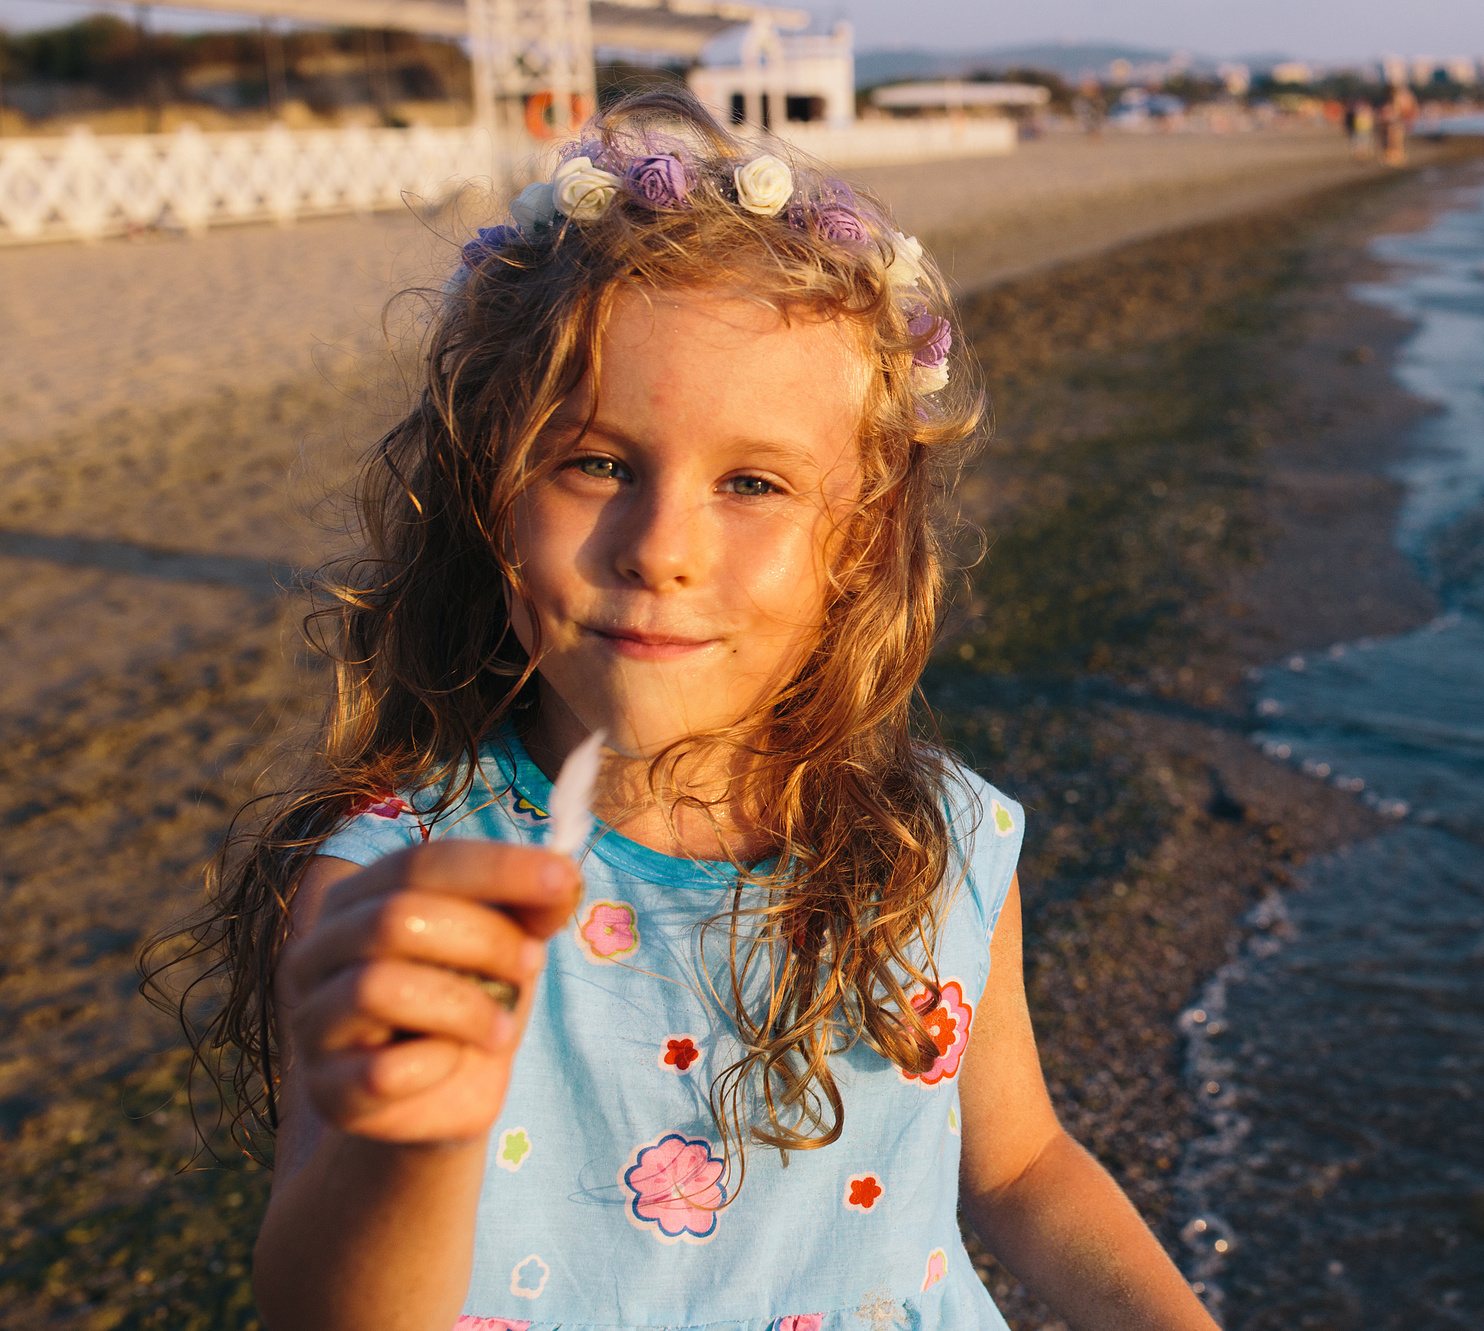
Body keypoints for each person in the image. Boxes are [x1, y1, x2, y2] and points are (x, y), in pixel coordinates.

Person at [152, 90, 1216, 1331]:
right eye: (597, 462)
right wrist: (412, 1141)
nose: (659, 549)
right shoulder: (405, 884)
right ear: (492, 493)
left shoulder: (942, 847)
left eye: (753, 483)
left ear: (858, 545)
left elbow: (1021, 1165)